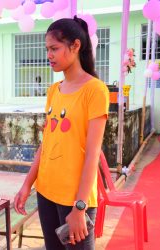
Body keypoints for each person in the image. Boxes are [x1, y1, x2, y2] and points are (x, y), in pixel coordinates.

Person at [14, 17, 109, 250]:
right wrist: (28, 184)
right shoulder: (54, 90)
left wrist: (80, 206)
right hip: (46, 191)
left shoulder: (95, 90)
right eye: (47, 49)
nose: (49, 55)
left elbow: (92, 153)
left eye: (55, 48)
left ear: (75, 46)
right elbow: (47, 143)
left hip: (75, 197)